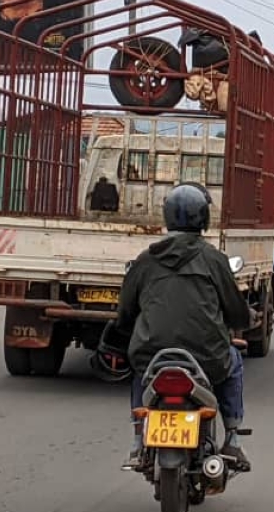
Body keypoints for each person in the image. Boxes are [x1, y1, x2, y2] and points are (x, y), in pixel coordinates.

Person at [99, 183, 252, 470]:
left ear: (166, 218)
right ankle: (232, 437)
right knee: (234, 361)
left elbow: (125, 313)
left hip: (152, 356)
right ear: (204, 219)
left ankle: (136, 439)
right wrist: (246, 320)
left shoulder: (144, 262)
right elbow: (236, 312)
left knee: (139, 369)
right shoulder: (214, 260)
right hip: (208, 358)